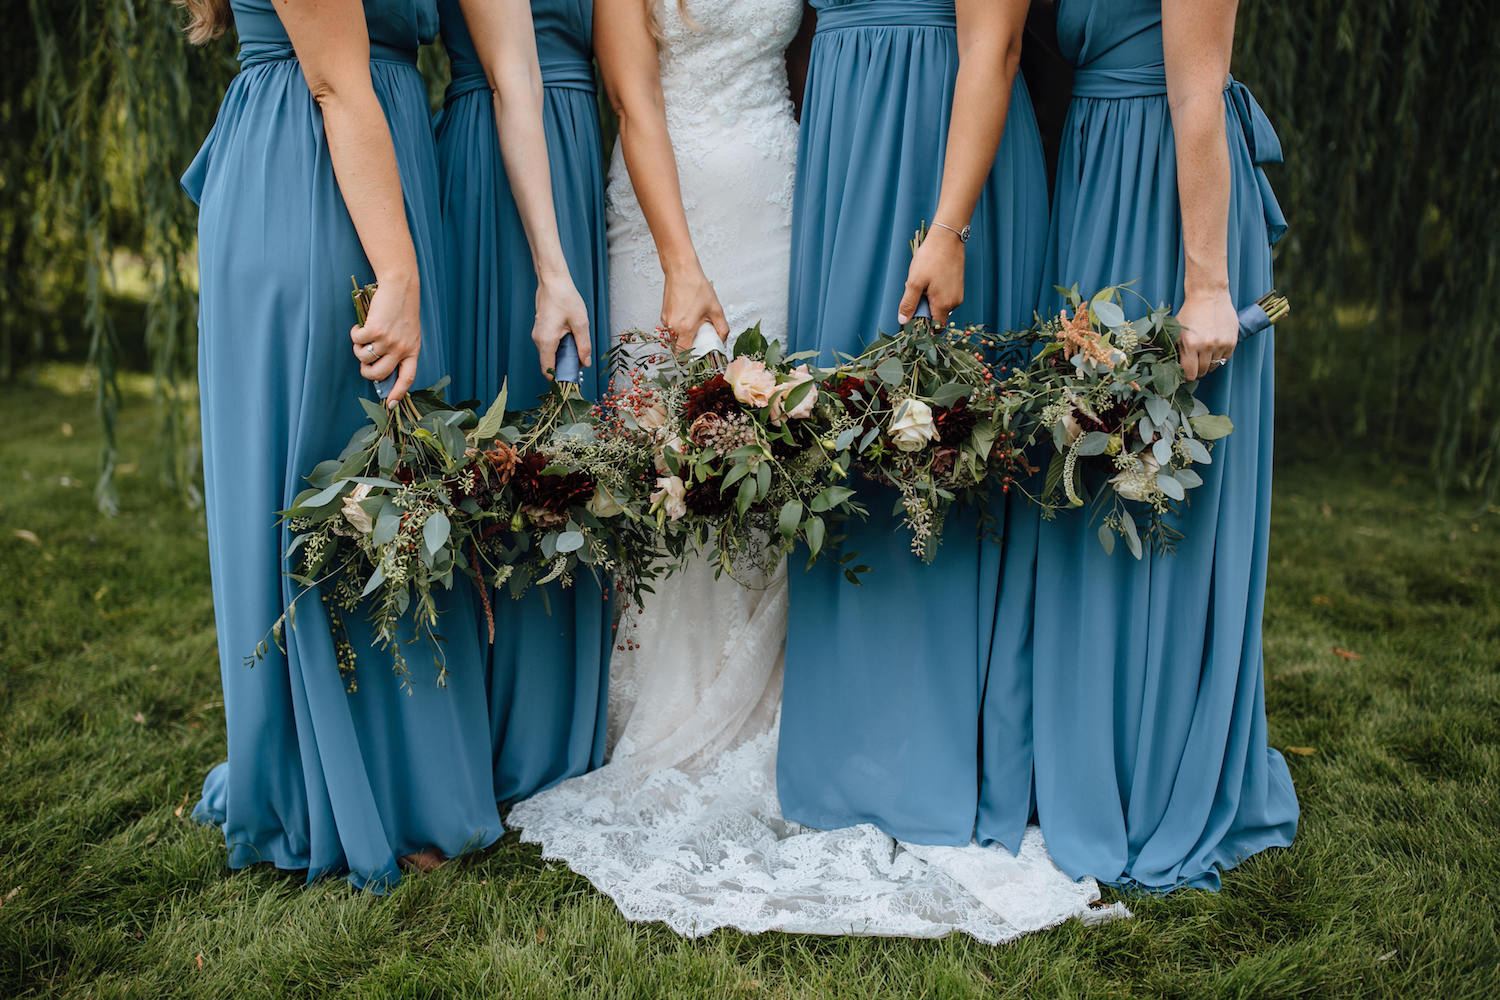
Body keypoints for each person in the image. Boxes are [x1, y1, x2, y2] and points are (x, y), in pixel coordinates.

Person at [507, 0, 1111, 942]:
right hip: (670, 204)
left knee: (784, 445)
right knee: (679, 455)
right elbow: (629, 88)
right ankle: (667, 709)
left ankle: (803, 702)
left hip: (791, 191)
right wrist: (676, 259)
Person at [180, 0, 500, 890]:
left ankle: (400, 782)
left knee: (386, 471)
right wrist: (398, 272)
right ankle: (332, 794)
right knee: (340, 471)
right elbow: (332, 77)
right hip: (318, 169)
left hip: (375, 166)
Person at [1027, 0, 1298, 890]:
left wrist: (1210, 285)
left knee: (1161, 484)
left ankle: (1154, 769)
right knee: (1092, 465)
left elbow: (1197, 96)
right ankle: (1084, 750)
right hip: (1097, 185)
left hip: (1169, 197)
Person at [778, 0, 1050, 855]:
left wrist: (949, 226)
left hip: (935, 145)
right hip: (849, 145)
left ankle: (930, 762)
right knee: (846, 440)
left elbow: (997, 40)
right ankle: (846, 753)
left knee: (931, 437)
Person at [432, 0, 612, 805]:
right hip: (504, 160)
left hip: (570, 148)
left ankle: (550, 722)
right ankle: (503, 730)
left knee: (567, 436)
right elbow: (512, 80)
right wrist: (551, 263)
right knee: (513, 422)